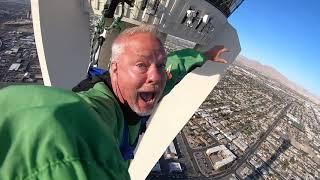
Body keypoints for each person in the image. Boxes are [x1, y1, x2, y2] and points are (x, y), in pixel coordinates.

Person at [0, 25, 228, 180]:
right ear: (115, 68)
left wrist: (205, 55)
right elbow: (61, 124)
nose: (156, 76)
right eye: (141, 65)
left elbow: (174, 67)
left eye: (159, 66)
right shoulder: (102, 106)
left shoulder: (145, 87)